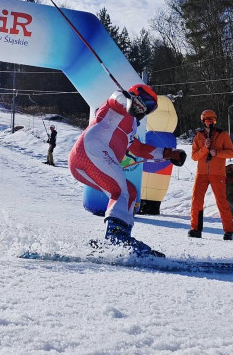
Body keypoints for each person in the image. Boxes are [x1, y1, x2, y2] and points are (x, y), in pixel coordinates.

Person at [69, 84, 186, 257]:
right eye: (145, 101)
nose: (146, 108)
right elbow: (117, 98)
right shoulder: (117, 102)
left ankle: (120, 241)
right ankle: (116, 238)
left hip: (85, 163)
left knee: (130, 192)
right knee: (120, 192)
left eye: (150, 107)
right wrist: (130, 100)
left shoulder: (131, 126)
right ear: (135, 95)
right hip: (91, 150)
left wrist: (168, 153)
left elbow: (139, 149)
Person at [188, 109, 233, 240]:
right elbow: (194, 156)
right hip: (201, 173)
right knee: (196, 201)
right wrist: (205, 148)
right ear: (203, 122)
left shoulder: (223, 135)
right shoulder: (198, 137)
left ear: (215, 121)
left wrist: (217, 153)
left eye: (212, 120)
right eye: (207, 120)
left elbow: (231, 153)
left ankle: (229, 231)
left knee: (221, 202)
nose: (210, 123)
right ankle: (195, 229)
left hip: (218, 174)